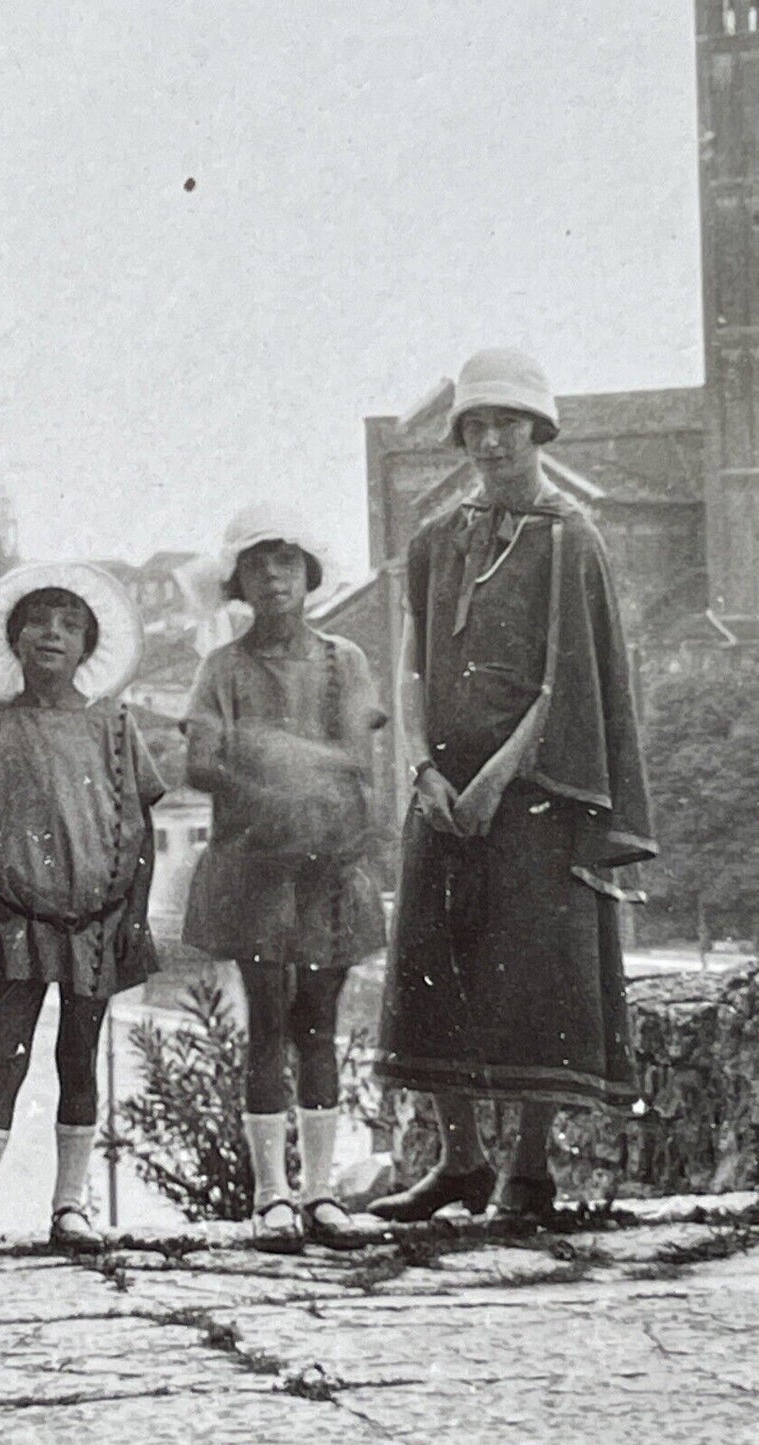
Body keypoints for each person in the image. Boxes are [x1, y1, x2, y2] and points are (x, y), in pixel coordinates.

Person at [369, 349, 656, 1224]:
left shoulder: (570, 537)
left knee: (530, 968)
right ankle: (459, 1160)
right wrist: (419, 765)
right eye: (475, 425)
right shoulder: (433, 537)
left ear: (538, 430)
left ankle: (525, 1170)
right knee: (433, 955)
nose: (490, 441)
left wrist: (496, 778)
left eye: (507, 423)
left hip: (534, 791)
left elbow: (565, 681)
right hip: (440, 791)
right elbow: (412, 661)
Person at [0, 563, 162, 1259]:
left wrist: (133, 919)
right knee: (5, 1055)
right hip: (19, 921)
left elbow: (138, 833)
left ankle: (69, 1206)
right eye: (39, 620)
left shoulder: (115, 726)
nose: (53, 632)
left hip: (98, 921)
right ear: (14, 638)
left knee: (77, 1056)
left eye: (70, 623)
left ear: (88, 645)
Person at [181, 505, 387, 1252]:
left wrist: (275, 759)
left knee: (319, 1022)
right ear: (236, 582)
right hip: (256, 863)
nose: (272, 576)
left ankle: (321, 1192)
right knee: (267, 1019)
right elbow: (200, 761)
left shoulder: (344, 661)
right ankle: (271, 1194)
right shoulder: (222, 667)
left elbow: (359, 759)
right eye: (256, 565)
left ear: (307, 576)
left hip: (328, 860)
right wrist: (269, 785)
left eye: (286, 563)